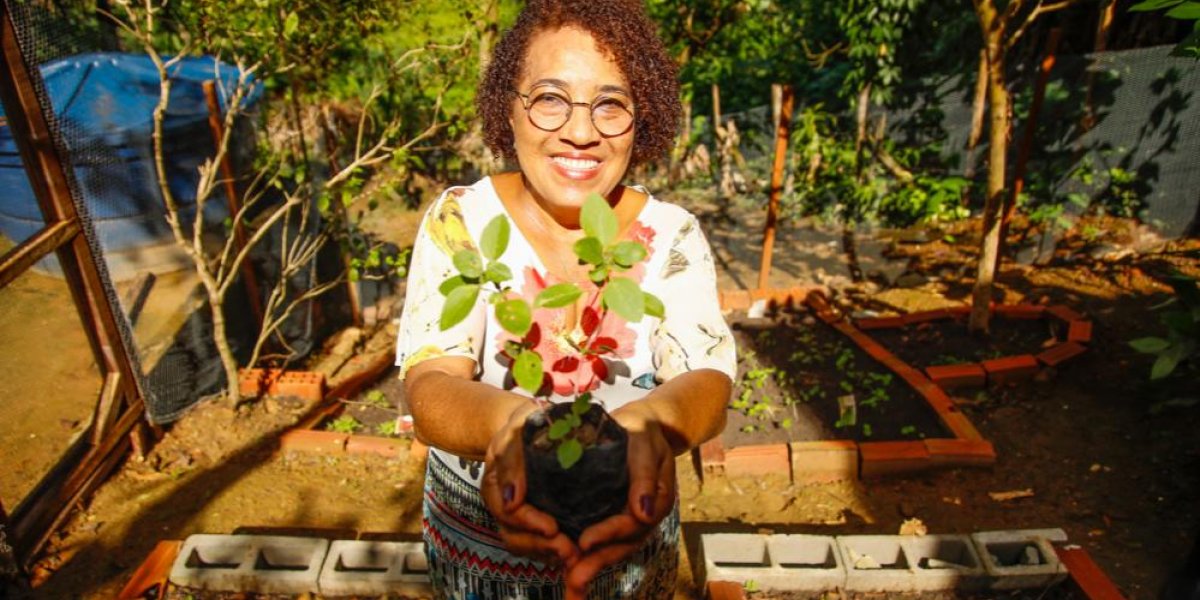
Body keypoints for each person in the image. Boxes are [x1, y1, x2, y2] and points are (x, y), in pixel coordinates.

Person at [395, 1, 735, 598]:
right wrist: (509, 426)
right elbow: (429, 384)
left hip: (628, 553)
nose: (581, 131)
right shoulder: (461, 222)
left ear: (642, 117)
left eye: (611, 104)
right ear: (510, 106)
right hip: (479, 552)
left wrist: (650, 427)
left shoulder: (672, 235)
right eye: (550, 97)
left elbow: (707, 377)